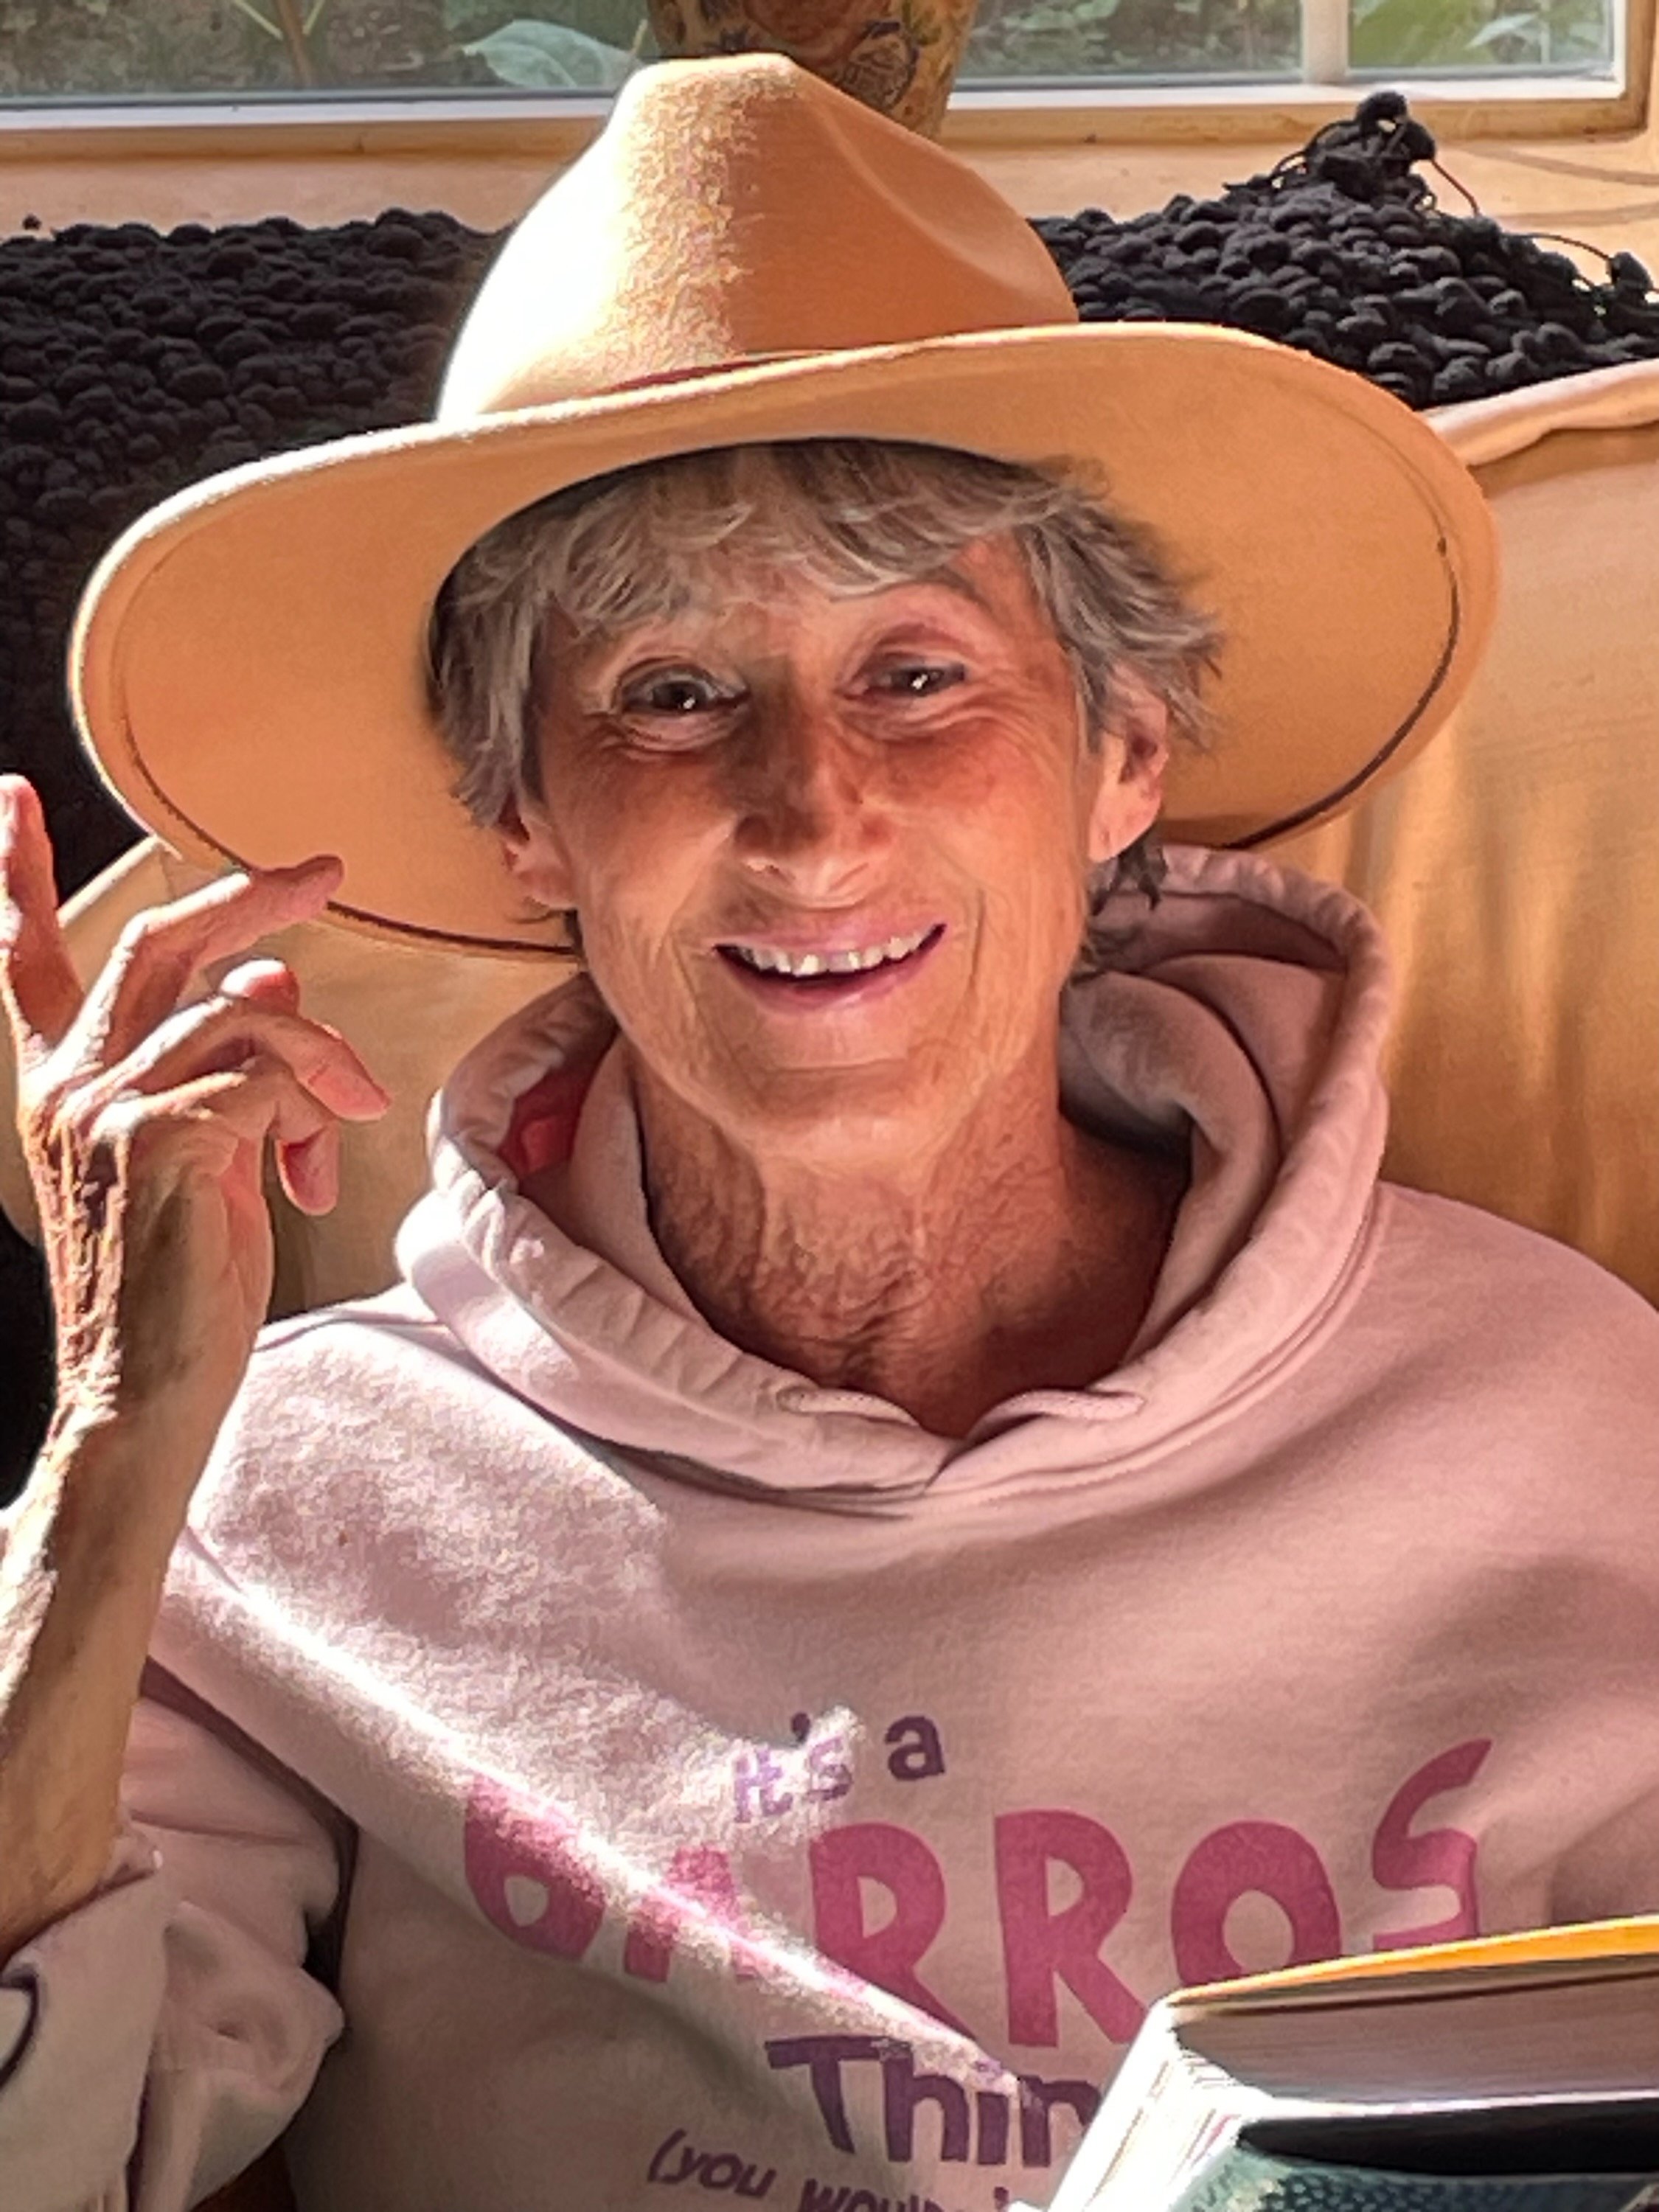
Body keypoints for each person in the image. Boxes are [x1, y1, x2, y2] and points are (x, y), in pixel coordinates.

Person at [3, 50, 1658, 2212]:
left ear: (1123, 759)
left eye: (918, 676)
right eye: (672, 695)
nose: (810, 818)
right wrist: (111, 1432)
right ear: (526, 823)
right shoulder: (281, 1476)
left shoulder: (1575, 1412)